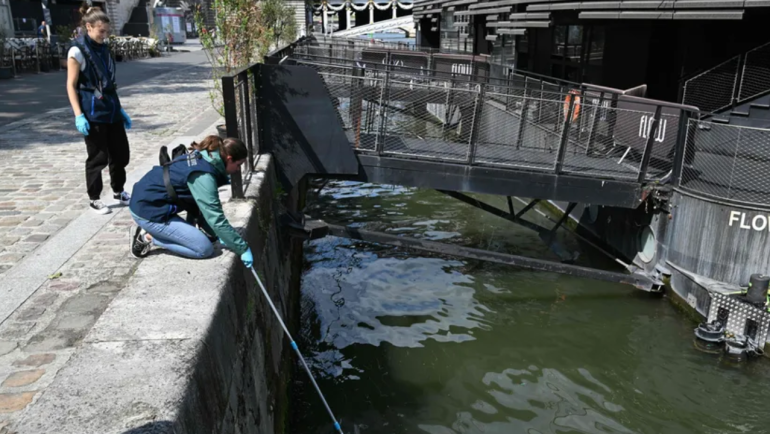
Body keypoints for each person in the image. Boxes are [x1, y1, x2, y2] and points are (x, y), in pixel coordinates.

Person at [128, 136, 254, 268]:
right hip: (148, 211)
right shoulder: (203, 176)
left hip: (153, 201)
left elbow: (199, 205)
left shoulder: (204, 157)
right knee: (203, 248)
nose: (238, 169)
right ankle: (147, 237)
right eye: (238, 164)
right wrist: (242, 249)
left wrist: (216, 233)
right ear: (229, 159)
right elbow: (215, 218)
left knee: (203, 238)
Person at [65, 4, 132, 215]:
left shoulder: (103, 48)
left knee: (121, 154)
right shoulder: (77, 51)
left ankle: (118, 190)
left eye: (107, 31)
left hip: (111, 109)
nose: (104, 35)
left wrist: (119, 109)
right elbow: (71, 85)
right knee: (98, 158)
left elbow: (109, 83)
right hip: (92, 112)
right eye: (101, 31)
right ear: (89, 27)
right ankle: (94, 198)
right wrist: (78, 115)